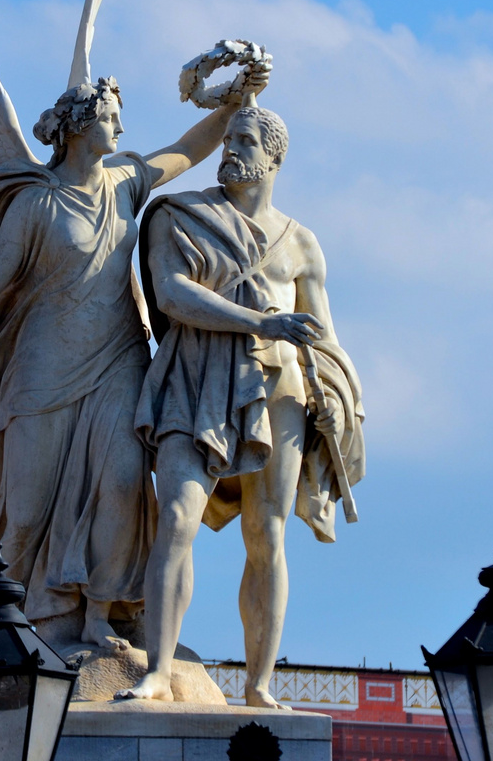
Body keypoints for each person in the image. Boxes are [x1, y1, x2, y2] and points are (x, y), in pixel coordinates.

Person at [0, 71, 268, 653]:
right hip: (41, 372)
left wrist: (236, 102)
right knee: (27, 510)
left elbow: (186, 151)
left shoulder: (126, 183)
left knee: (124, 482)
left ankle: (99, 618)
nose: (122, 126)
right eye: (112, 116)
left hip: (118, 359)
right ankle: (26, 623)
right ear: (81, 127)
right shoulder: (35, 204)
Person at [119, 105, 364, 704]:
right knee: (177, 518)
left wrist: (335, 397)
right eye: (228, 137)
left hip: (277, 388)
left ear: (274, 157)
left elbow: (323, 338)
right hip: (193, 374)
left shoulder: (301, 244)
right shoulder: (179, 216)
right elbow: (174, 295)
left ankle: (258, 686)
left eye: (246, 139)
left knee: (267, 533)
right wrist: (262, 320)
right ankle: (158, 671)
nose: (232, 148)